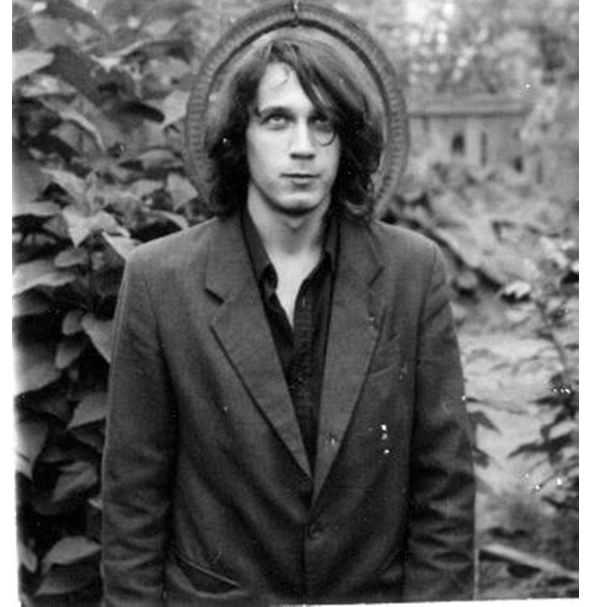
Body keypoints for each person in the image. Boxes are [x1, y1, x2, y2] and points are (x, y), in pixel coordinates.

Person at [101, 34, 475, 606]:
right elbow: (133, 501)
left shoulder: (412, 271)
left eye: (322, 122)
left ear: (346, 140)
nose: (302, 148)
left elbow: (444, 489)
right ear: (239, 135)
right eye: (277, 119)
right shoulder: (160, 280)